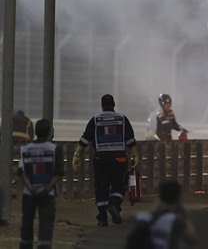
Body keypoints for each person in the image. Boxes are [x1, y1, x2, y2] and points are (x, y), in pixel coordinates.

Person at [72, 94, 139, 226]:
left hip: (101, 159)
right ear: (114, 104)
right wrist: (135, 155)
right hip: (119, 159)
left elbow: (85, 139)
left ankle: (102, 219)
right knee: (119, 185)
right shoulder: (122, 119)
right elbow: (130, 140)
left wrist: (77, 155)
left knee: (101, 187)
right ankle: (114, 204)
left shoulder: (95, 120)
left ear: (102, 105)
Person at [18, 119, 64, 249]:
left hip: (29, 194)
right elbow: (59, 173)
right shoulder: (55, 149)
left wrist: (32, 189)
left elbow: (21, 172)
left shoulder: (25, 149)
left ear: (36, 132)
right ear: (49, 132)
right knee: (46, 224)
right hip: (48, 194)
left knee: (27, 223)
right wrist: (46, 190)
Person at [126, 179, 197, 249]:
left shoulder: (144, 217)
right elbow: (192, 239)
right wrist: (183, 213)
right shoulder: (175, 220)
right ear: (178, 198)